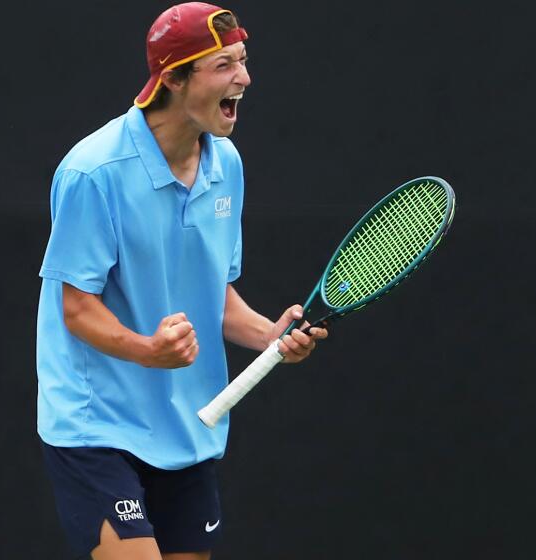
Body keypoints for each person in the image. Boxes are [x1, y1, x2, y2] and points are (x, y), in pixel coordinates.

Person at [36, 3, 328, 559]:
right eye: (223, 65)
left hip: (186, 426)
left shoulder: (228, 165)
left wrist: (270, 336)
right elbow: (75, 308)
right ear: (171, 78)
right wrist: (149, 350)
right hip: (97, 425)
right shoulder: (93, 172)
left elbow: (215, 294)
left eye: (243, 61)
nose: (244, 78)